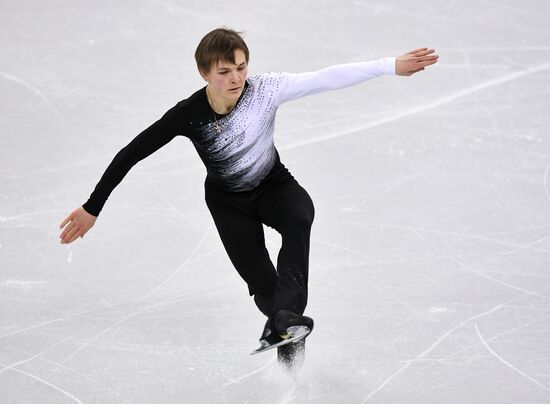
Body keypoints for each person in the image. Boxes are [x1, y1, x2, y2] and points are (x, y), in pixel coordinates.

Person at [58, 28, 438, 350]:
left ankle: (285, 320)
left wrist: (390, 66)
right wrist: (94, 207)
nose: (236, 78)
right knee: (264, 288)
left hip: (273, 184)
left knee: (300, 214)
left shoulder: (266, 90)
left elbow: (326, 77)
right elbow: (132, 152)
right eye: (225, 71)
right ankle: (285, 325)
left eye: (241, 68)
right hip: (228, 205)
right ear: (204, 73)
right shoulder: (188, 114)